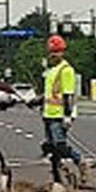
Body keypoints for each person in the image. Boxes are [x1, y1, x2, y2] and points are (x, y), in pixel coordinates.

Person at [32, 35, 81, 164]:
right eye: (52, 52)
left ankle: (79, 161)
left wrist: (68, 115)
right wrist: (36, 101)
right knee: (50, 148)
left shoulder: (66, 70)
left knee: (60, 147)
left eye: (57, 51)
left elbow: (67, 94)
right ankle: (58, 177)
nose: (54, 55)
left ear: (63, 52)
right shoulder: (51, 71)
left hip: (60, 116)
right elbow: (49, 94)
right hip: (48, 114)